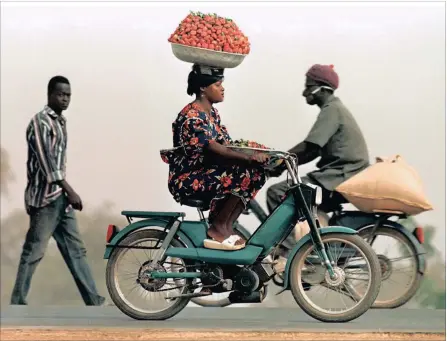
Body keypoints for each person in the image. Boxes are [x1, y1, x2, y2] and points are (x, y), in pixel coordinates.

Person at [10, 76, 106, 306]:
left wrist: (66, 194)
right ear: (49, 94)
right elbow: (47, 165)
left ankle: (93, 300)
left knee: (76, 250)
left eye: (68, 95)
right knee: (33, 252)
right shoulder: (40, 122)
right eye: (61, 94)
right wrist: (71, 191)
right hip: (44, 199)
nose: (65, 99)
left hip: (59, 198)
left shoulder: (60, 122)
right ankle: (17, 302)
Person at [267, 64, 370, 268]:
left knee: (276, 192)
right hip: (340, 174)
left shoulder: (332, 110)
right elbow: (312, 150)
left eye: (308, 86)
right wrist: (285, 163)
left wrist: (280, 162)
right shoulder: (335, 109)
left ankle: (287, 254)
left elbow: (311, 147)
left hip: (339, 175)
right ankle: (310, 261)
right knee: (305, 206)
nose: (304, 92)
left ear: (321, 88)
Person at [160, 64, 270, 251]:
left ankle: (226, 225)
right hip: (188, 178)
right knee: (243, 172)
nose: (223, 88)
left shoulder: (212, 114)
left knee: (258, 173)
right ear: (203, 88)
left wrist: (257, 152)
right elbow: (214, 148)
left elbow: (228, 144)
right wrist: (248, 159)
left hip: (206, 173)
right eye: (218, 85)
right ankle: (219, 226)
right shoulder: (192, 116)